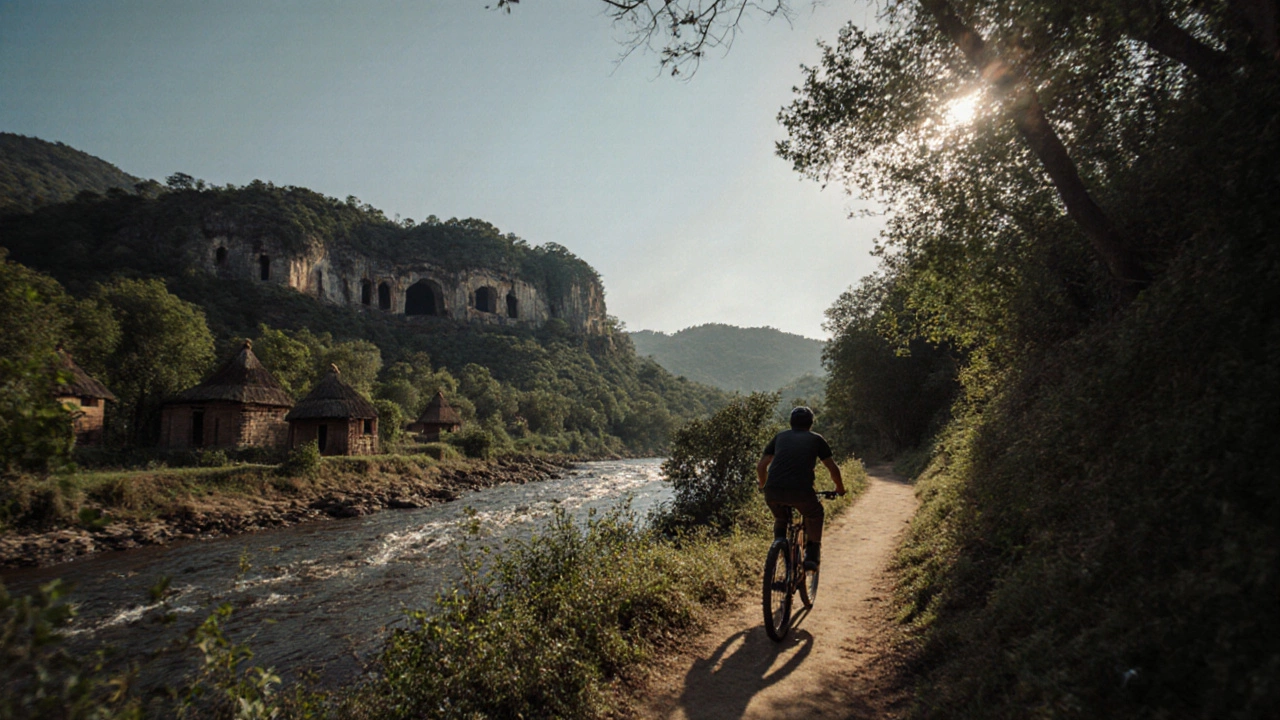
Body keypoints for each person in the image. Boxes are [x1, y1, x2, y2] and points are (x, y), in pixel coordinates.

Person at [757, 406, 845, 571]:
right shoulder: (816, 439)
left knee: (781, 519)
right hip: (802, 492)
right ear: (811, 423)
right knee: (815, 513)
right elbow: (832, 468)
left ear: (791, 422)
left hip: (773, 491)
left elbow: (761, 466)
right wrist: (840, 488)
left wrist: (763, 486)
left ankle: (780, 546)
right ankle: (812, 555)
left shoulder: (780, 437)